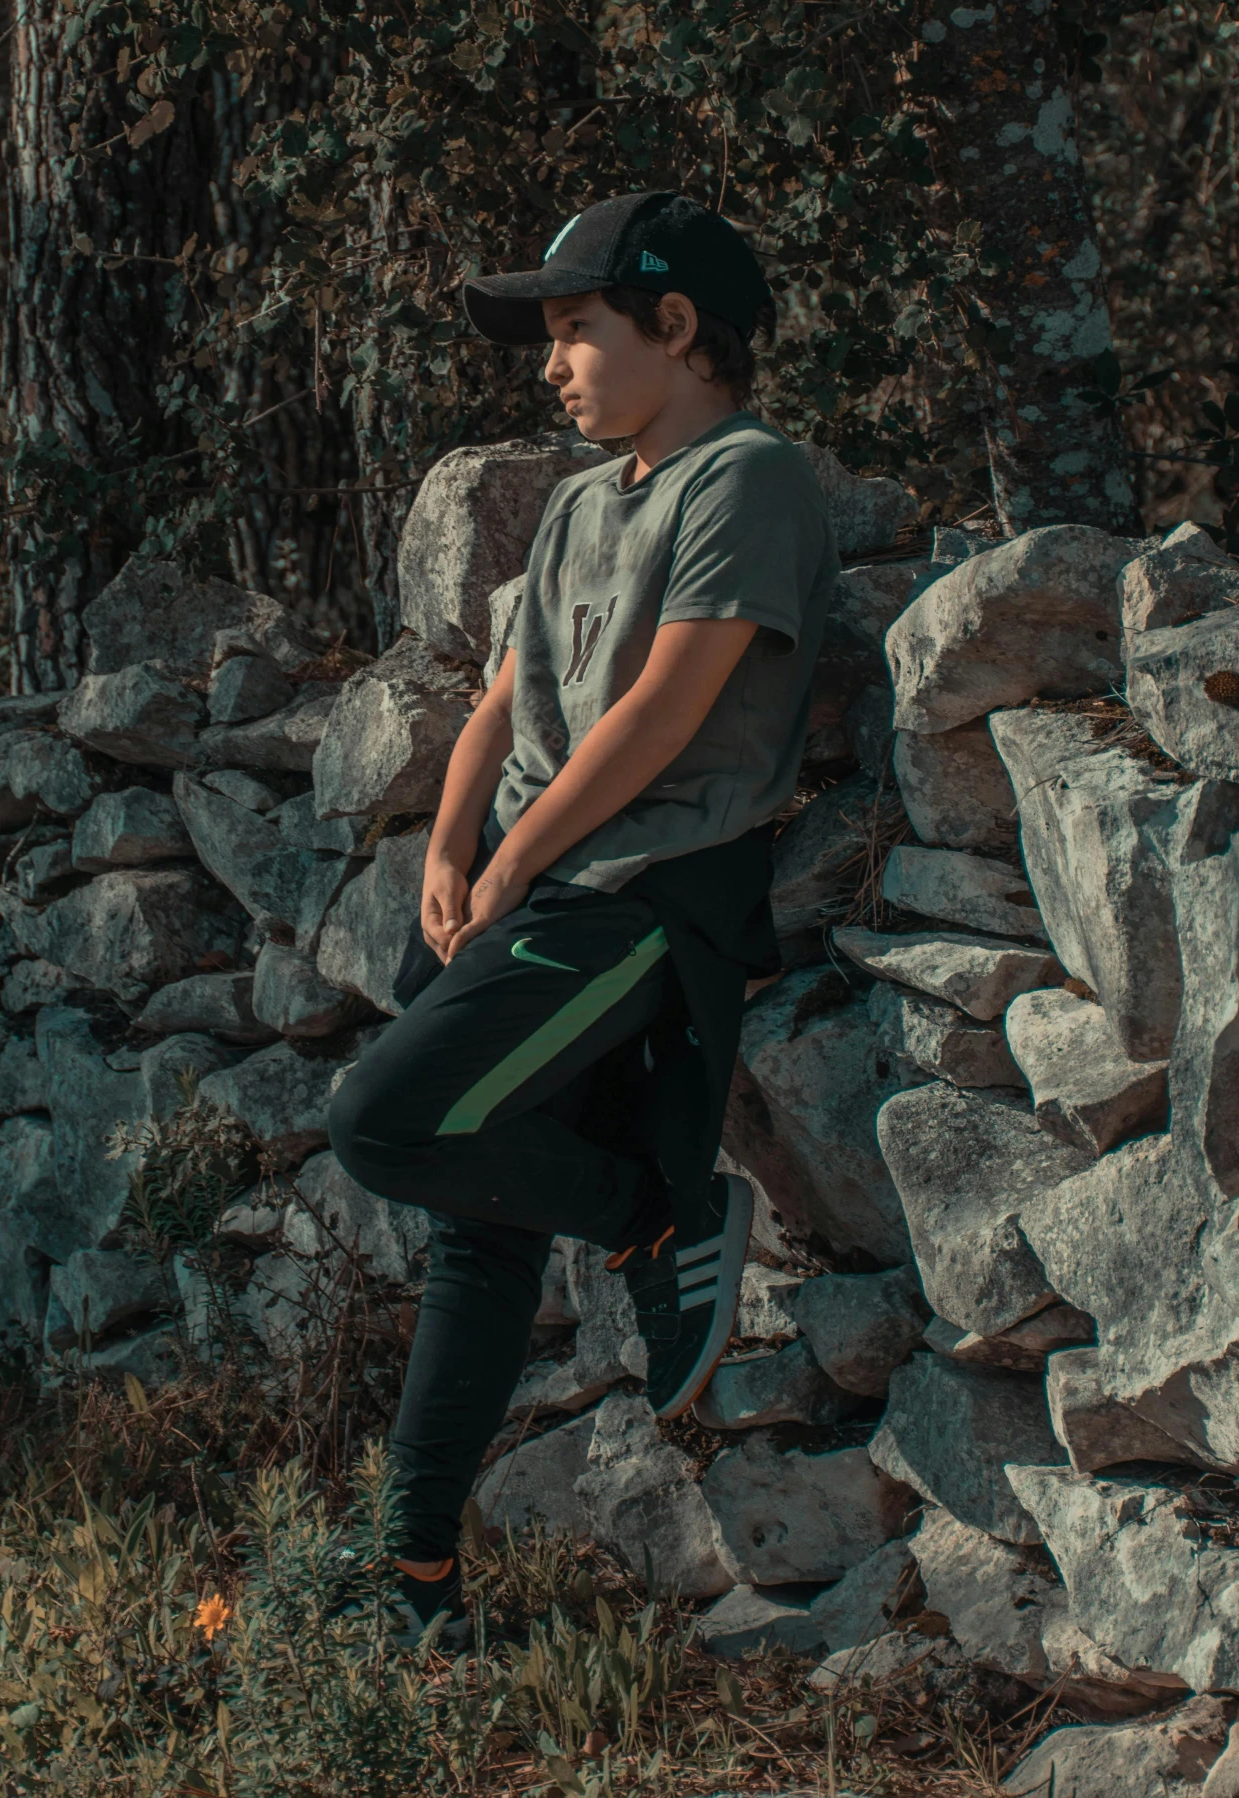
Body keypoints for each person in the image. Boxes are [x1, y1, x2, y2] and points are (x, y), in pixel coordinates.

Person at [328, 189, 839, 1645]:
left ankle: (647, 1217)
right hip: (543, 884)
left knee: (387, 1122)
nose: (549, 367)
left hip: (639, 898)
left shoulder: (744, 480)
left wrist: (517, 858)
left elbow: (668, 712)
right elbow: (504, 699)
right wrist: (446, 838)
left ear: (675, 327)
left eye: (572, 331)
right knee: (470, 1216)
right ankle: (413, 1583)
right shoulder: (576, 500)